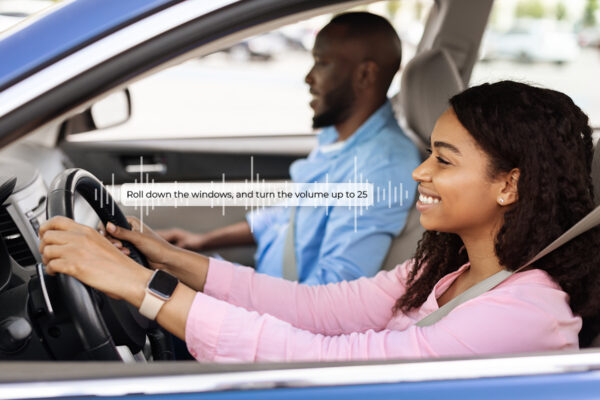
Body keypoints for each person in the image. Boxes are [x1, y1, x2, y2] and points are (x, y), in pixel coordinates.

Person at [39, 81, 600, 362]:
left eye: (443, 159)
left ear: (509, 184)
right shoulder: (449, 271)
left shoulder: (524, 315)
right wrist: (167, 259)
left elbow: (332, 364)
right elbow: (314, 310)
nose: (418, 173)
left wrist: (141, 287)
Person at [158, 12, 421, 284]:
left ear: (365, 74)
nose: (309, 78)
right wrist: (200, 242)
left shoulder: (383, 165)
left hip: (274, 316)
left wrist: (214, 289)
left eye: (322, 62)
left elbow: (329, 297)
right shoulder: (338, 137)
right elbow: (292, 213)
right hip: (264, 292)